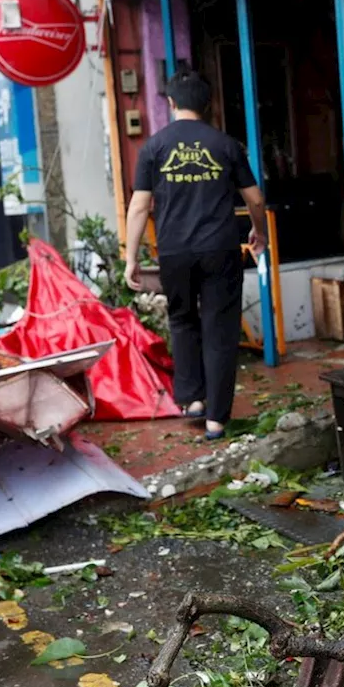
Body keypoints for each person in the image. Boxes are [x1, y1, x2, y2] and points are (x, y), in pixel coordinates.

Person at [124, 68, 268, 440]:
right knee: (220, 329)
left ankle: (192, 399)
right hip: (219, 248)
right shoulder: (225, 145)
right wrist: (259, 231)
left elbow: (139, 207)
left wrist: (131, 257)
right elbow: (254, 198)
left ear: (171, 104)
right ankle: (216, 420)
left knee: (183, 321)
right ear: (208, 105)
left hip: (174, 251)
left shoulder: (153, 148)